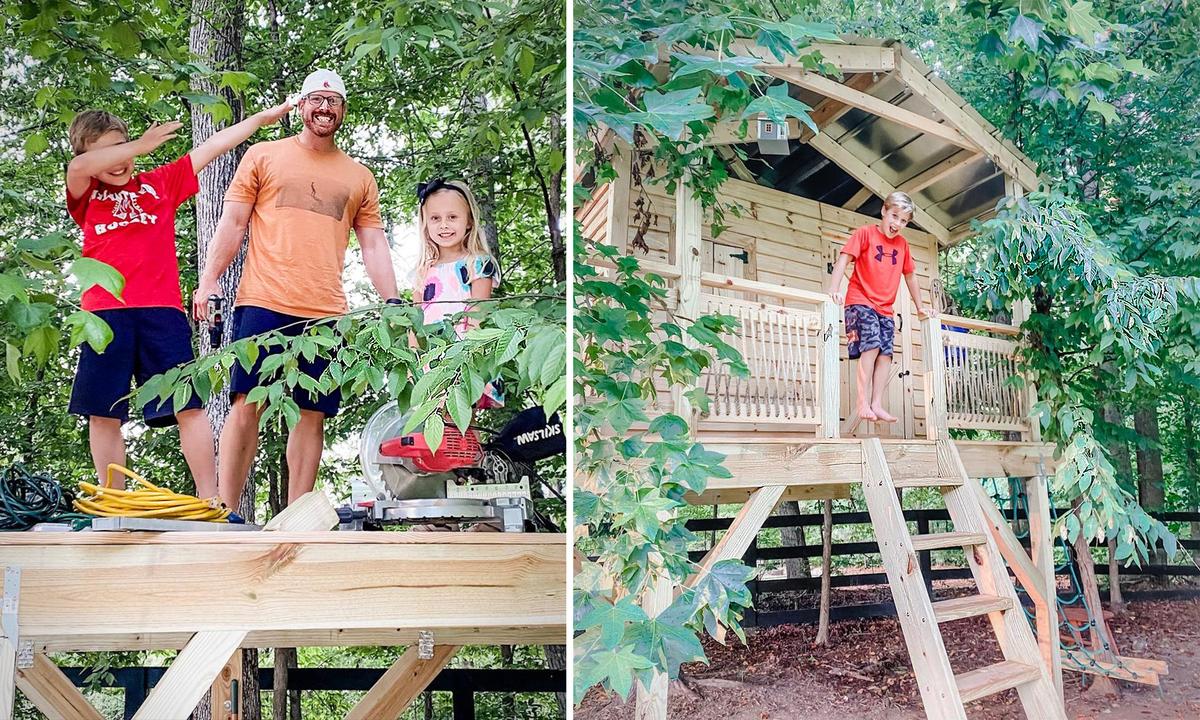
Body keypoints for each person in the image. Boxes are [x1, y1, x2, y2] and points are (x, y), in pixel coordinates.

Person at [193, 69, 399, 511]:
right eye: (316, 99)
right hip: (262, 301)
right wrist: (208, 281)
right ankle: (225, 512)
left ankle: (297, 517)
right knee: (246, 402)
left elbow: (374, 243)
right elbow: (231, 223)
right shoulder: (264, 155)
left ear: (343, 110)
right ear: (301, 106)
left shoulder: (359, 176)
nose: (325, 107)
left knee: (313, 412)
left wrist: (394, 302)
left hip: (326, 312)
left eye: (334, 101)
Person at [65, 101, 292, 496]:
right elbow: (77, 168)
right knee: (103, 413)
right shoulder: (86, 193)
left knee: (188, 406)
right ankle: (114, 501)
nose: (120, 160)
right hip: (104, 315)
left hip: (161, 313)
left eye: (122, 147)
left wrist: (260, 120)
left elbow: (212, 147)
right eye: (107, 152)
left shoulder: (159, 183)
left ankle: (210, 500)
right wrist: (140, 145)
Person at [825, 191, 934, 424]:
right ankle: (862, 401)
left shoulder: (902, 245)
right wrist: (833, 290)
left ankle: (876, 403)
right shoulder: (865, 234)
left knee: (885, 355)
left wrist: (920, 307)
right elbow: (843, 259)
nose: (897, 224)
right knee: (872, 345)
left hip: (885, 309)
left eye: (903, 221)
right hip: (860, 301)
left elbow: (911, 277)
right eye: (894, 216)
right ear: (884, 211)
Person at [413, 178, 503, 408]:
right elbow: (415, 320)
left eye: (452, 217)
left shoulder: (477, 263)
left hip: (465, 354)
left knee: (463, 417)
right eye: (435, 218)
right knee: (439, 423)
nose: (444, 225)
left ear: (469, 221)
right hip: (432, 358)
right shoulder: (424, 271)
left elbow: (478, 315)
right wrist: (415, 358)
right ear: (425, 224)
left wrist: (464, 359)